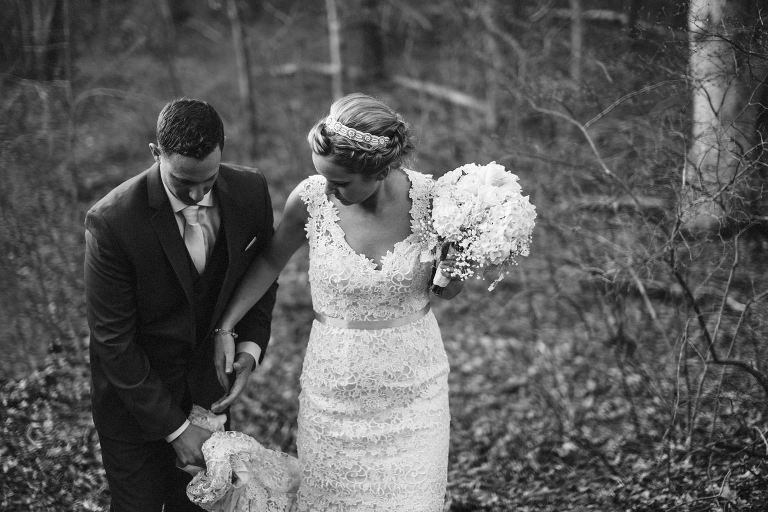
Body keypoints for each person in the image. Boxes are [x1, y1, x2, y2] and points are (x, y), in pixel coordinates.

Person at [211, 92, 462, 511]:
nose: (328, 188)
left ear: (379, 170)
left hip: (417, 397)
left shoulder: (435, 200)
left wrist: (454, 270)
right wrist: (226, 326)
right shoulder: (310, 200)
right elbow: (270, 260)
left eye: (340, 182)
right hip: (334, 397)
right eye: (323, 176)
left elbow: (447, 291)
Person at [84, 97, 278, 512]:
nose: (195, 193)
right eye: (182, 180)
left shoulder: (249, 191)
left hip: (208, 397)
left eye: (206, 179)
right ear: (156, 153)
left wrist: (249, 349)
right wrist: (175, 430)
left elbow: (261, 276)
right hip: (135, 408)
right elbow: (112, 342)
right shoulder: (112, 222)